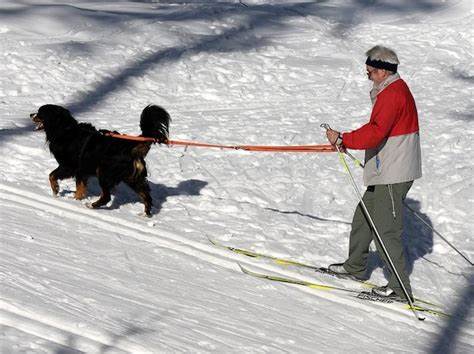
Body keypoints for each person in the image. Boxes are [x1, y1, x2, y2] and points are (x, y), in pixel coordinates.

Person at [325, 45, 422, 301]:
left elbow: (376, 132)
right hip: (388, 168)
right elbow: (376, 129)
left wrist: (344, 138)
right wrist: (347, 140)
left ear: (382, 71)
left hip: (394, 171)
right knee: (364, 216)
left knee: (386, 230)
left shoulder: (392, 94)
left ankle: (400, 290)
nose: (367, 76)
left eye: (369, 73)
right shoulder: (391, 90)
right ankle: (355, 267)